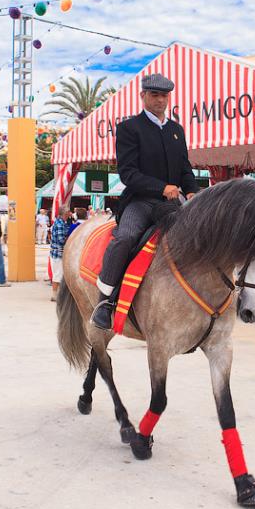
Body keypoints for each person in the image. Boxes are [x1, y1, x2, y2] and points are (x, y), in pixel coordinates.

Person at [91, 73, 199, 329]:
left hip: (172, 205)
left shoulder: (176, 130)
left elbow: (184, 167)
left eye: (164, 95)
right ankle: (105, 300)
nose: (160, 100)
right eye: (154, 95)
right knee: (125, 238)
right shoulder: (130, 128)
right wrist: (162, 187)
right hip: (141, 202)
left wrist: (193, 191)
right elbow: (128, 173)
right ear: (143, 96)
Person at [49, 205, 71, 301]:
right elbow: (61, 240)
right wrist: (70, 239)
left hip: (56, 252)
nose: (69, 215)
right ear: (65, 214)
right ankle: (55, 295)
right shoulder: (60, 224)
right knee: (58, 275)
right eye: (68, 213)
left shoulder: (59, 222)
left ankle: (56, 294)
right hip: (58, 253)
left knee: (57, 274)